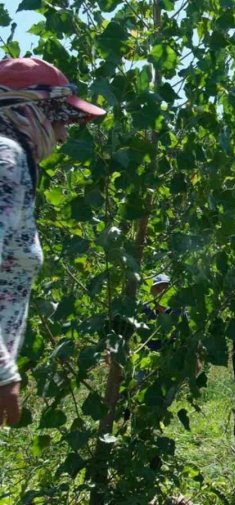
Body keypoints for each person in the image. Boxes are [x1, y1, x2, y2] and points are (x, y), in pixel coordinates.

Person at [0, 57, 106, 426]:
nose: (63, 135)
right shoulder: (6, 160)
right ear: (25, 110)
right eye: (58, 119)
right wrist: (3, 373)